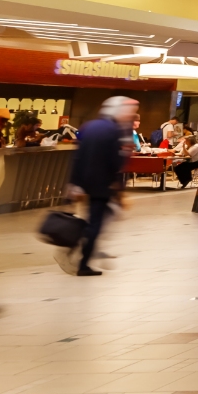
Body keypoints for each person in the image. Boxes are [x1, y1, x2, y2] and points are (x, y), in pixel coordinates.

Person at [66, 95, 137, 276]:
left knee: (93, 220)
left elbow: (78, 157)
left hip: (84, 182)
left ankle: (77, 248)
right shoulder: (115, 131)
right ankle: (83, 263)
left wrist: (74, 183)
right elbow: (116, 162)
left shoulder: (88, 126)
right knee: (96, 223)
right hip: (102, 185)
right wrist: (119, 189)